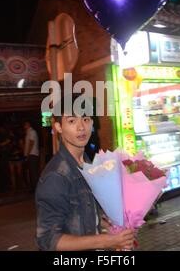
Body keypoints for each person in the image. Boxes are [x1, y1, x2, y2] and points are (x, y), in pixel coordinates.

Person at [35, 94, 135, 251]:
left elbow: (79, 212)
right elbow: (48, 240)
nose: (81, 127)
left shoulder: (88, 164)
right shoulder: (56, 176)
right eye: (72, 121)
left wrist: (106, 223)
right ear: (58, 127)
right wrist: (106, 241)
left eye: (86, 119)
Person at [23, 121, 40, 192]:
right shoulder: (28, 132)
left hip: (32, 154)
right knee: (32, 172)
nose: (24, 126)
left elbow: (31, 143)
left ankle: (35, 189)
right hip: (31, 154)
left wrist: (27, 154)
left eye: (24, 125)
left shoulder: (32, 132)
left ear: (28, 124)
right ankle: (33, 188)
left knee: (33, 172)